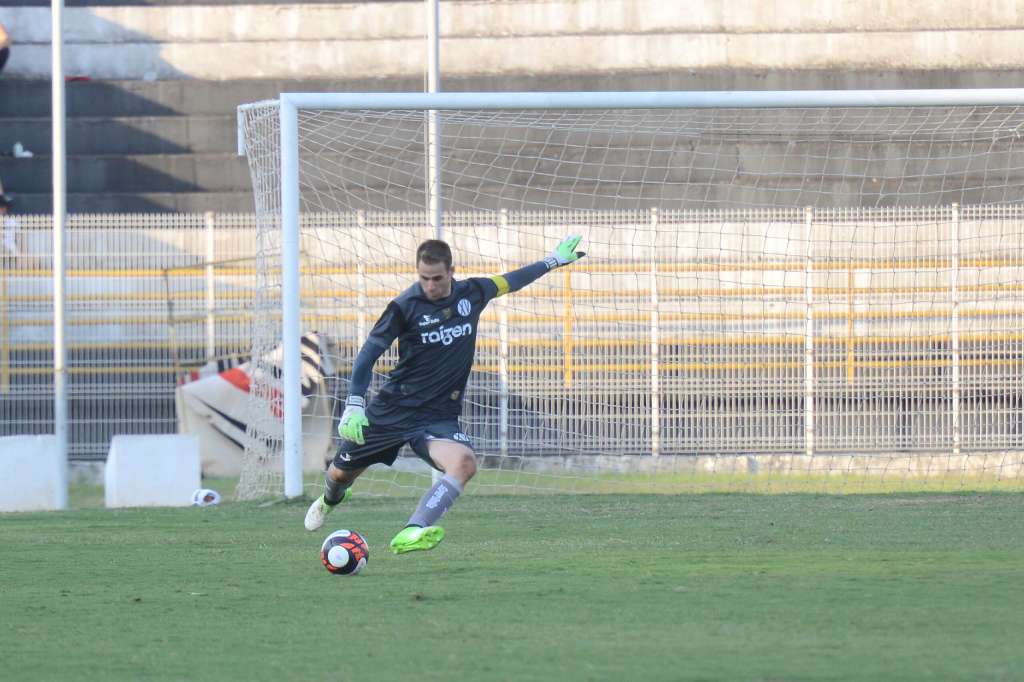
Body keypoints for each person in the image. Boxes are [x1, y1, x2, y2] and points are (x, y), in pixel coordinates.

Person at [304, 234, 586, 553]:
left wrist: (553, 260)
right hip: (392, 410)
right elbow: (368, 354)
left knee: (465, 463)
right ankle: (329, 501)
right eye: (424, 278)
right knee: (339, 476)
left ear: (452, 271)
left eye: (437, 278)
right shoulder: (404, 307)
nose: (430, 285)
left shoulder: (474, 292)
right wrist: (355, 404)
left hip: (437, 416)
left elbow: (512, 280)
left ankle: (413, 530)